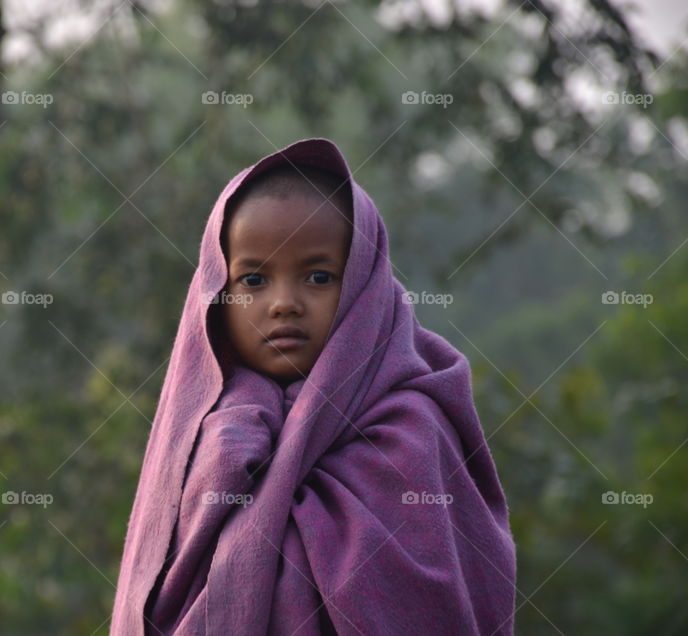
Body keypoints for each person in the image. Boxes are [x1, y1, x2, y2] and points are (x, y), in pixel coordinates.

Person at [111, 137, 517, 635]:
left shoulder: (412, 425)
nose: (284, 303)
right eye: (254, 281)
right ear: (217, 295)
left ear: (365, 286)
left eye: (319, 276)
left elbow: (425, 597)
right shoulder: (202, 431)